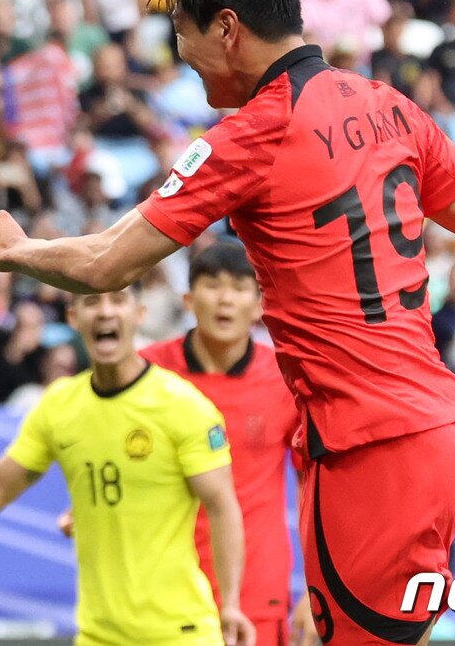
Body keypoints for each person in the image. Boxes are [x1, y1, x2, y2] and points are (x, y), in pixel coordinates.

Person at [0, 0, 455, 646]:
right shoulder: (390, 106)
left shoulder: (252, 133)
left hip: (368, 447)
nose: (182, 56)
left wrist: (19, 251)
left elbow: (106, 264)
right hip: (441, 430)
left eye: (182, 32)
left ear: (226, 27)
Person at [0, 285, 253, 646]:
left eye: (118, 300)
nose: (105, 311)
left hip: (180, 633)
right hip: (97, 634)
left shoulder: (184, 407)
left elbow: (222, 507)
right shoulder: (59, 406)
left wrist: (231, 604)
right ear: (73, 317)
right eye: (92, 302)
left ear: (139, 314)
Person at [135, 241, 309, 646]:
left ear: (260, 305)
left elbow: (313, 488)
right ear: (188, 300)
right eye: (212, 285)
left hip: (257, 592)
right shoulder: (148, 373)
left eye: (239, 287)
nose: (225, 299)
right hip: (164, 590)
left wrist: (317, 592)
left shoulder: (287, 378)